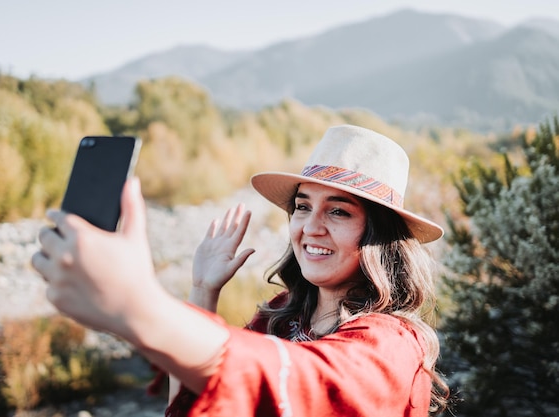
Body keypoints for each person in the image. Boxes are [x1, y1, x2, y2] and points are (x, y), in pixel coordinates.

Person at [32, 124, 449, 416]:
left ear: (379, 235)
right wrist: (202, 291)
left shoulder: (394, 343)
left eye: (338, 211)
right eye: (302, 206)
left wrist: (139, 306)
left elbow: (298, 380)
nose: (310, 227)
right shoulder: (282, 315)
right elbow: (194, 403)